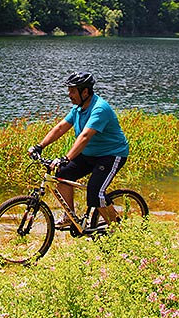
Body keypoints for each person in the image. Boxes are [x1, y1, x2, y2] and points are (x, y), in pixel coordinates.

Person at [27, 71, 129, 229]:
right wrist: (40, 146)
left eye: (72, 91)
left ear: (85, 92)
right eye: (69, 90)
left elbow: (85, 136)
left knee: (95, 192)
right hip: (90, 154)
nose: (69, 94)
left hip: (111, 155)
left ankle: (119, 231)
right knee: (62, 174)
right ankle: (70, 217)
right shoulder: (78, 108)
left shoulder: (99, 108)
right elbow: (61, 127)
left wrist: (66, 158)